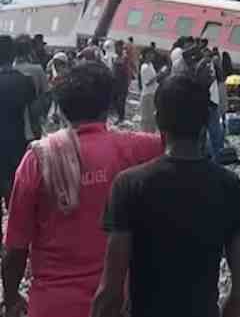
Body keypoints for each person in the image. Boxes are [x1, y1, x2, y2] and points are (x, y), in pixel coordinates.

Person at [2, 62, 164, 317]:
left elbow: (15, 248)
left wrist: (11, 297)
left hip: (52, 305)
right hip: (115, 304)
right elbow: (182, 142)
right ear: (108, 104)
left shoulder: (37, 159)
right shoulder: (135, 149)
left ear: (63, 107)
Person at [90, 74, 240, 317]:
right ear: (205, 122)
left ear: (158, 120)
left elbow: (111, 291)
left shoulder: (130, 185)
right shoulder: (228, 185)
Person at [0, 37, 34, 221]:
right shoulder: (25, 82)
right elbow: (33, 116)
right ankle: (14, 239)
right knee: (14, 195)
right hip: (16, 144)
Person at [14, 35, 48, 140]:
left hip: (14, 119)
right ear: (30, 50)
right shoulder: (37, 69)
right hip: (34, 118)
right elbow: (46, 95)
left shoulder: (10, 69)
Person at [109, 41, 131, 124]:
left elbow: (127, 70)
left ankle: (121, 118)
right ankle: (118, 116)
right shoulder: (114, 57)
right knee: (114, 100)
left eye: (117, 47)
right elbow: (113, 69)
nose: (116, 49)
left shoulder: (125, 57)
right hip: (115, 82)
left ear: (121, 48)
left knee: (121, 101)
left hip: (123, 82)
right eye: (115, 47)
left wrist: (128, 83)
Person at [139, 50, 159, 133]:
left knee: (152, 116)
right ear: (146, 55)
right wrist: (158, 76)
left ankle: (150, 133)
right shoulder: (145, 67)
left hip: (152, 93)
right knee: (146, 116)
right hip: (147, 94)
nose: (151, 56)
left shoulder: (150, 65)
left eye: (152, 54)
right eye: (149, 54)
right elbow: (147, 82)